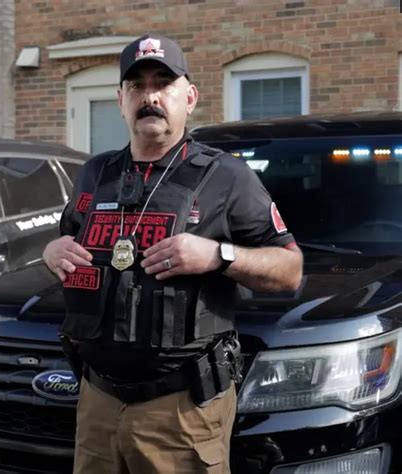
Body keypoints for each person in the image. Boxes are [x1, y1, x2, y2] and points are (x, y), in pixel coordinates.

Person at [43, 33, 303, 474]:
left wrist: (218, 255)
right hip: (97, 401)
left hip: (181, 410)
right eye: (137, 86)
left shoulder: (227, 177)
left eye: (163, 84)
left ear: (190, 97)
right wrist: (52, 250)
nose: (150, 97)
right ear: (121, 100)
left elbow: (290, 269)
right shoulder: (95, 173)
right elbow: (68, 240)